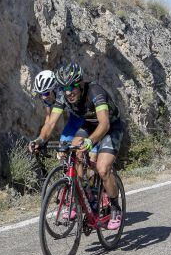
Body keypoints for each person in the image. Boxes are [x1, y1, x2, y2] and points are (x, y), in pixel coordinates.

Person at [30, 62, 124, 230]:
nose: (68, 92)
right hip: (88, 125)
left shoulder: (95, 92)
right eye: (64, 88)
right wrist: (39, 140)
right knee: (74, 152)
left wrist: (90, 142)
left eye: (72, 86)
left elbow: (104, 124)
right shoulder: (62, 97)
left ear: (80, 84)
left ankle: (115, 207)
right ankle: (83, 193)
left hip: (110, 127)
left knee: (102, 169)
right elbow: (50, 124)